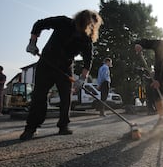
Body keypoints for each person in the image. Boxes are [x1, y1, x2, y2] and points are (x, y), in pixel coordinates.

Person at [20, 10, 103, 140]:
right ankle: (31, 127)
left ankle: (63, 126)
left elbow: (88, 60)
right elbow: (39, 24)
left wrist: (82, 79)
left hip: (65, 69)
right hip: (46, 63)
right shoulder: (63, 22)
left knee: (66, 97)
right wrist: (32, 42)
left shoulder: (86, 38)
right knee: (39, 96)